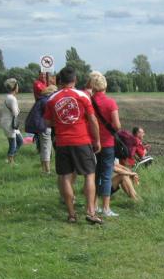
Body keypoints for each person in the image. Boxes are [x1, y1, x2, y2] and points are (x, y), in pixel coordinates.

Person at [44, 66, 102, 224]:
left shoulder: (52, 98)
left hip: (62, 142)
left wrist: (61, 121)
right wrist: (97, 140)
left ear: (60, 81)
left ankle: (71, 214)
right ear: (75, 80)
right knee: (89, 174)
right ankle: (90, 212)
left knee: (66, 177)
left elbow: (47, 122)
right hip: (82, 140)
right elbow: (92, 120)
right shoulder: (83, 96)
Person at [85, 71, 121, 217]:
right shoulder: (110, 102)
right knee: (106, 175)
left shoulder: (87, 101)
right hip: (107, 143)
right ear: (105, 86)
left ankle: (94, 206)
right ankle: (106, 208)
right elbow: (117, 125)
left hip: (91, 143)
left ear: (92, 86)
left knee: (93, 175)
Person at [0, 78, 23, 164]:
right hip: (9, 124)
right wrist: (19, 110)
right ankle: (10, 162)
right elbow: (15, 113)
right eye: (17, 86)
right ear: (14, 87)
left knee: (20, 141)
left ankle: (10, 157)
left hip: (8, 123)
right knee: (13, 143)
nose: (18, 87)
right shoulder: (12, 98)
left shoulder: (8, 97)